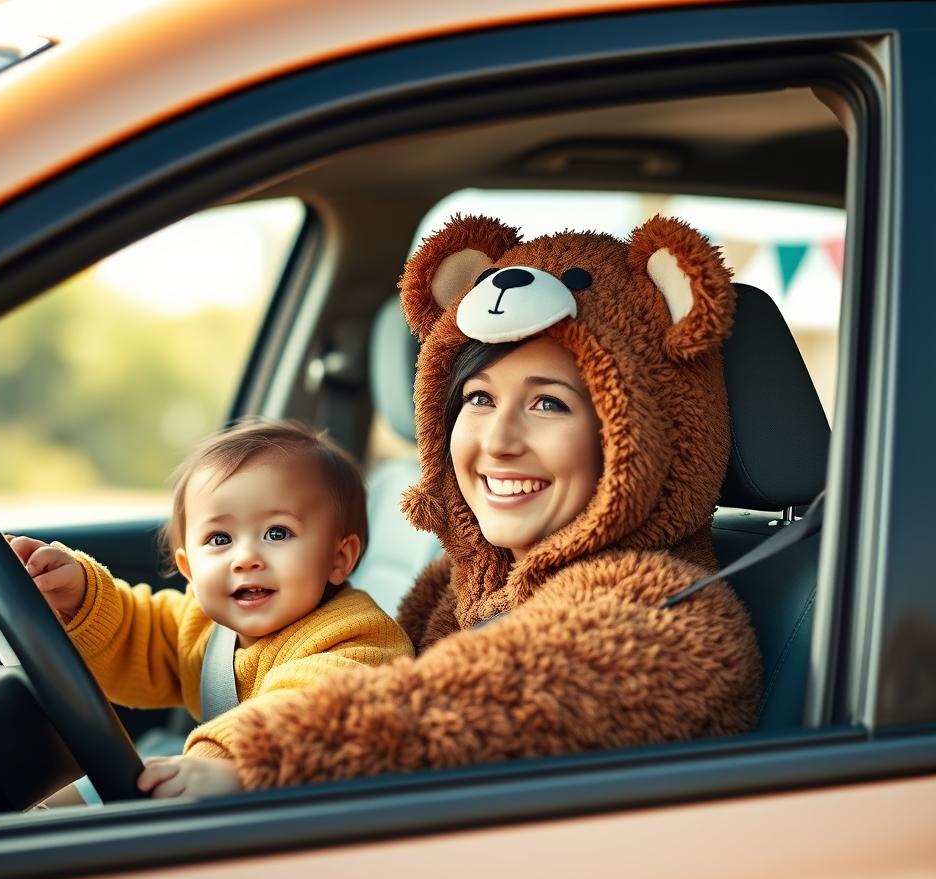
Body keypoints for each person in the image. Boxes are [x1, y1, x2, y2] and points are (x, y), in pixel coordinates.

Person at [212, 214, 762, 791]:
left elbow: (454, 705)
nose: (498, 442)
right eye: (478, 397)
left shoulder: (665, 616)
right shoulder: (460, 585)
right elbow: (352, 659)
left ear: (645, 431)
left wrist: (255, 753)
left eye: (549, 404)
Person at [9, 419, 414, 799]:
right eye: (220, 539)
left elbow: (314, 709)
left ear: (338, 558)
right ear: (189, 569)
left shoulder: (358, 636)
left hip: (290, 818)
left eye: (277, 533)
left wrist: (233, 764)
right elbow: (141, 636)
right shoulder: (205, 624)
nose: (245, 558)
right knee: (66, 799)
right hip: (222, 787)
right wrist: (80, 596)